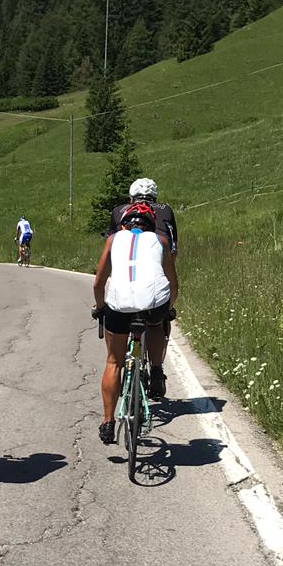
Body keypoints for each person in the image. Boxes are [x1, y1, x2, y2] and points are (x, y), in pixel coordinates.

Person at [92, 200, 178, 444]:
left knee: (114, 361)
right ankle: (157, 369)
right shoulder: (160, 241)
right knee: (155, 323)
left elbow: (99, 282)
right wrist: (168, 309)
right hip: (152, 305)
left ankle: (108, 422)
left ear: (124, 224)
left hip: (119, 306)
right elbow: (173, 284)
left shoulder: (113, 240)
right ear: (151, 225)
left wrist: (100, 308)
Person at [109, 176, 178, 253]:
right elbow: (173, 245)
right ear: (154, 198)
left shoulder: (118, 210)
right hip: (159, 254)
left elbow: (111, 244)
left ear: (132, 198)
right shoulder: (166, 209)